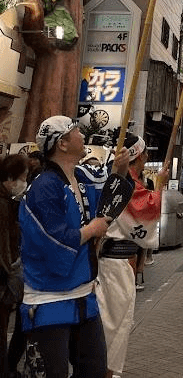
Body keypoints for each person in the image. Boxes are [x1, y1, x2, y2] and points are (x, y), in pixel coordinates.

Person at [20, 115, 130, 378]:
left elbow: (108, 197)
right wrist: (91, 230)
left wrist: (121, 170)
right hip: (49, 298)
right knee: (53, 373)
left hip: (84, 294)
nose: (82, 134)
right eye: (75, 131)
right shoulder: (43, 187)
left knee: (93, 369)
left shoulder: (81, 176)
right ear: (62, 144)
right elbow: (52, 238)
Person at [96, 132, 169, 378]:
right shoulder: (125, 184)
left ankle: (108, 369)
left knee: (114, 320)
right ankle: (108, 371)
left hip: (113, 261)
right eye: (146, 153)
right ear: (138, 156)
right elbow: (147, 208)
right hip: (115, 262)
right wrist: (160, 185)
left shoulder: (118, 180)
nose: (148, 157)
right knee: (115, 322)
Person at [0, 153, 29, 378]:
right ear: (10, 178)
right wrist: (9, 275)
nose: (23, 183)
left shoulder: (7, 202)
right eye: (22, 177)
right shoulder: (2, 205)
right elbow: (4, 247)